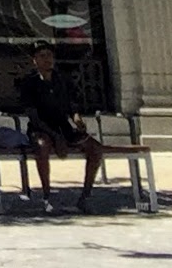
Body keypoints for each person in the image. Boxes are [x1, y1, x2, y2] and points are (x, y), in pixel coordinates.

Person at [15, 42, 105, 200]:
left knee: (95, 149)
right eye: (42, 56)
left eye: (49, 55)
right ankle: (47, 195)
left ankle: (85, 196)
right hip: (41, 129)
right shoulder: (28, 83)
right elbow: (33, 117)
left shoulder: (63, 80)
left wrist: (77, 119)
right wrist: (55, 137)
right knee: (42, 147)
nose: (47, 59)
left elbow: (72, 106)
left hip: (64, 127)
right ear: (35, 60)